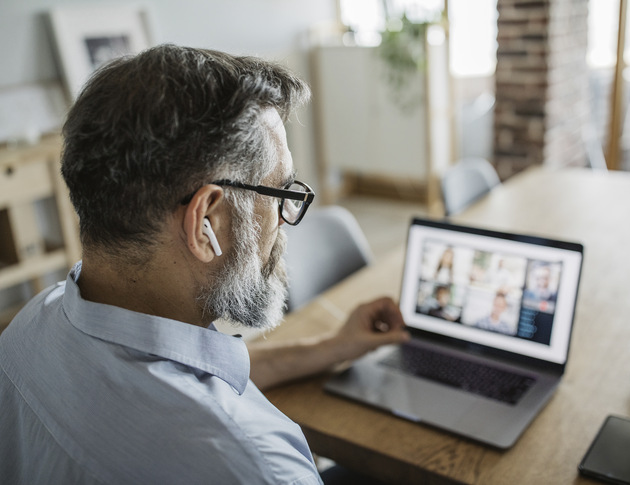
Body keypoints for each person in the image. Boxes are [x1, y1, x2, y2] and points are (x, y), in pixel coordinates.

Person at [0, 44, 409, 484]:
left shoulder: (29, 326)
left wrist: (329, 348)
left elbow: (183, 373)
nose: (286, 221)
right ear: (205, 224)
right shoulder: (256, 466)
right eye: (281, 194)